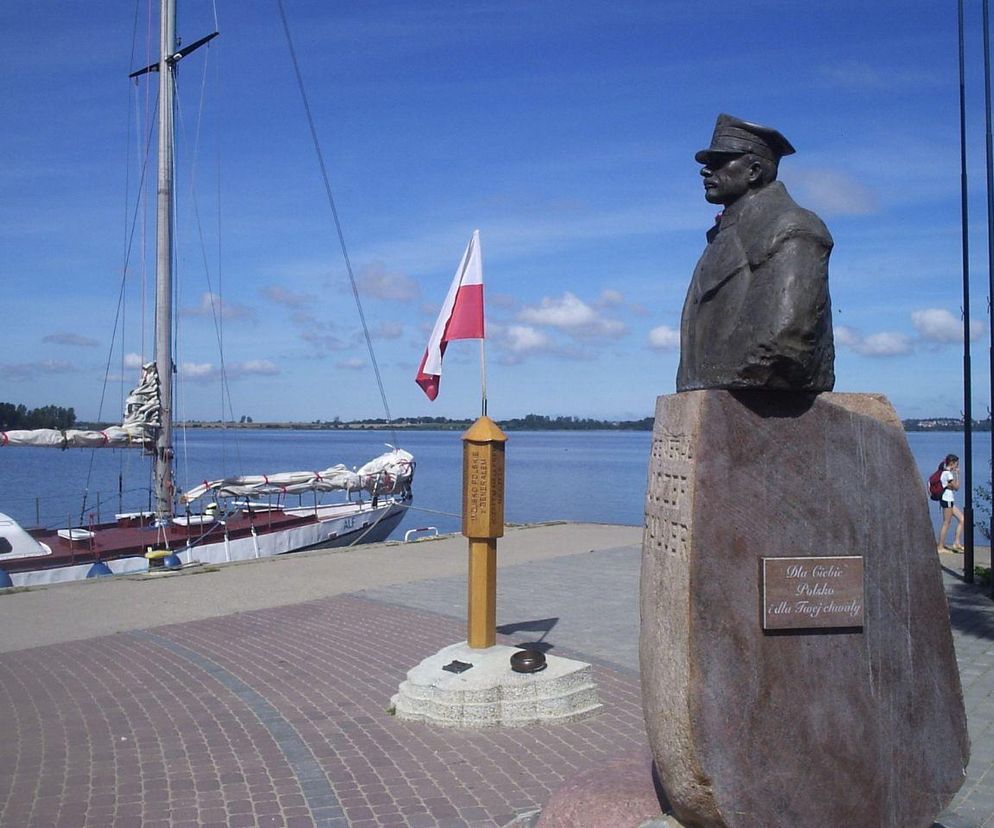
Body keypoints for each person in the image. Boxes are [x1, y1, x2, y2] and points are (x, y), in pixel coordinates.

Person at [677, 114, 835, 392]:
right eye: (707, 164)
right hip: (709, 391)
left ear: (754, 171)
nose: (705, 171)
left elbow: (787, 336)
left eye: (719, 162)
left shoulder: (792, 227)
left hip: (754, 388)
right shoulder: (720, 237)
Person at [936, 454, 964, 553]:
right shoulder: (948, 474)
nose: (957, 466)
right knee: (946, 523)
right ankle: (940, 547)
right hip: (946, 500)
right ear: (952, 463)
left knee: (962, 519)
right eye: (956, 464)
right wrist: (957, 475)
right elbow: (956, 487)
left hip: (949, 500)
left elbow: (952, 487)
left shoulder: (945, 473)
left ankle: (956, 542)